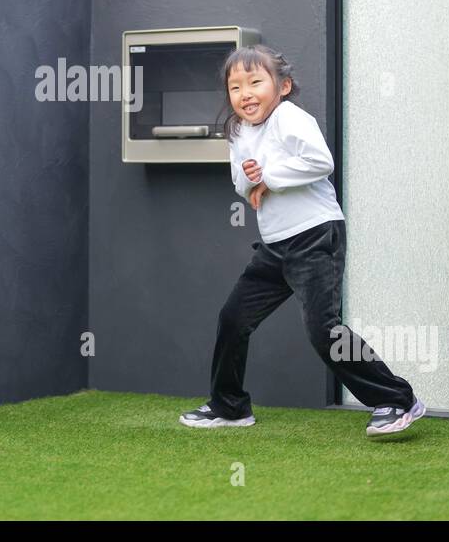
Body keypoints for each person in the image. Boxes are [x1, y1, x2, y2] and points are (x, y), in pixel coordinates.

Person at [179, 44, 425, 437]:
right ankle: (229, 407)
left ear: (284, 86)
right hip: (274, 246)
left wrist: (268, 176)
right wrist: (250, 179)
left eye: (256, 82)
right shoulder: (238, 131)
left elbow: (320, 162)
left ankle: (396, 398)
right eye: (235, 86)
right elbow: (242, 186)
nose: (245, 94)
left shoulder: (289, 117)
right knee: (233, 318)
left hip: (314, 236)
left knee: (324, 331)